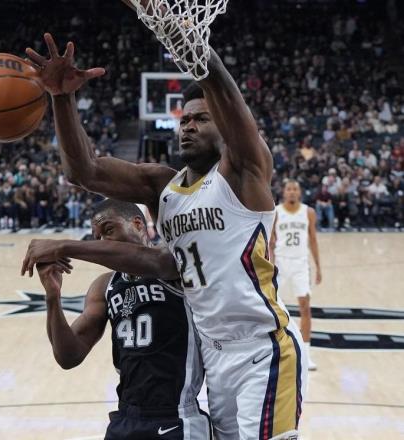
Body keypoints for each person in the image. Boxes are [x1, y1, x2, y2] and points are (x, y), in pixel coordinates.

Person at [25, 9, 307, 439]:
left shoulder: (243, 173)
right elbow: (84, 172)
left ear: (223, 127)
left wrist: (196, 51)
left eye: (201, 119)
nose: (188, 126)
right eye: (184, 120)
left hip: (262, 345)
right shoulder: (163, 187)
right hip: (214, 356)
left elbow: (230, 103)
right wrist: (61, 99)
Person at [32, 200, 210, 440]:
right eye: (97, 237)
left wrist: (62, 247)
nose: (103, 242)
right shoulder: (105, 285)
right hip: (126, 418)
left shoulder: (173, 265)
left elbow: (156, 260)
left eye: (108, 230)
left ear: (138, 224)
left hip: (177, 417)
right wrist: (53, 296)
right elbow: (68, 357)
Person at [270, 180, 322, 371]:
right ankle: (276, 352)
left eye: (295, 189)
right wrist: (270, 265)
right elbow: (270, 241)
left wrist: (318, 267)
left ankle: (306, 355)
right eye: (289, 189)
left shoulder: (308, 212)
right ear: (284, 192)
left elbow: (313, 240)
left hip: (301, 264)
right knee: (274, 309)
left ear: (299, 192)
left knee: (305, 307)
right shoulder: (276, 212)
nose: (292, 192)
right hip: (281, 264)